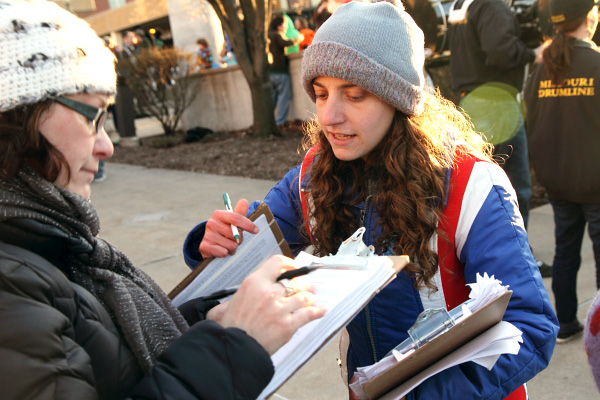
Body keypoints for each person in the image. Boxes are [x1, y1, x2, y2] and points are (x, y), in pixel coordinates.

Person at [184, 2, 558, 399]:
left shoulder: (469, 181)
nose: (329, 116)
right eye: (321, 93)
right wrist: (218, 242)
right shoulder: (314, 174)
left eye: (355, 94)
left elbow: (529, 326)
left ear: (400, 99)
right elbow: (251, 255)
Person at [0, 1, 324, 399]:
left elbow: (108, 347)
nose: (106, 146)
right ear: (19, 116)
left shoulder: (51, 239)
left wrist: (207, 318)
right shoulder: (12, 281)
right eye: (92, 116)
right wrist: (231, 347)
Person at [447, 0, 552, 277]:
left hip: (472, 101)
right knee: (513, 186)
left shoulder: (462, 5)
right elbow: (501, 51)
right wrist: (533, 53)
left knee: (481, 186)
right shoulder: (491, 5)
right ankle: (518, 262)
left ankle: (492, 262)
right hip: (496, 103)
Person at [524, 0, 600, 343]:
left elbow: (532, 119)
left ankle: (566, 323)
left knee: (565, 251)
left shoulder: (542, 67)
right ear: (590, 17)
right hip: (595, 180)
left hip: (558, 179)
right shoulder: (596, 63)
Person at [268, 16, 303, 128]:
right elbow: (287, 43)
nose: (286, 27)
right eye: (285, 24)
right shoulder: (277, 35)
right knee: (283, 96)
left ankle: (270, 122)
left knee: (272, 98)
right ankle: (279, 123)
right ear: (279, 25)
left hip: (270, 72)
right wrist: (298, 39)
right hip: (280, 71)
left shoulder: (267, 35)